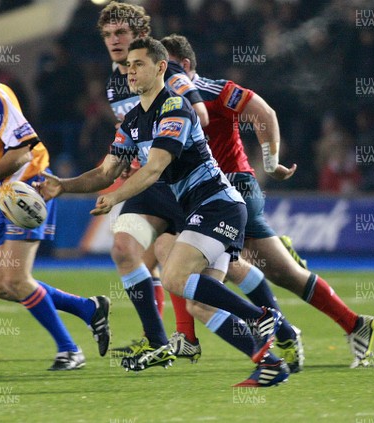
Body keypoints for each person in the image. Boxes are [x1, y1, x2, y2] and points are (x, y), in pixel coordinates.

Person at [41, 37, 289, 387]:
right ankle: (270, 362)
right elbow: (104, 172)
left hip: (219, 203)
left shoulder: (174, 108)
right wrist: (62, 185)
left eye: (139, 64)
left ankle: (262, 317)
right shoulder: (131, 123)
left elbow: (154, 168)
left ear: (160, 67)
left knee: (174, 276)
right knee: (197, 303)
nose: (130, 71)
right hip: (200, 208)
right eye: (127, 65)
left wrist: (115, 199)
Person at [160, 34, 374, 369]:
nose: (163, 73)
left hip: (231, 189)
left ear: (186, 66)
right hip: (209, 197)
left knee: (201, 292)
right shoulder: (166, 101)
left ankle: (271, 345)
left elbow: (262, 111)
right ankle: (350, 324)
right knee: (281, 273)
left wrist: (270, 160)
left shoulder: (209, 89)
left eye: (169, 66)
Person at [0, 40, 111, 371]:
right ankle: (89, 309)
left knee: (16, 278)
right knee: (0, 286)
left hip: (29, 186)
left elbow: (22, 153)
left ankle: (70, 350)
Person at [96, 0, 209, 360]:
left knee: (233, 270)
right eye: (108, 35)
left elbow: (200, 115)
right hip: (151, 182)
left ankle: (275, 330)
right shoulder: (118, 79)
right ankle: (161, 340)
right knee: (129, 251)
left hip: (185, 180)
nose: (114, 41)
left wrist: (155, 150)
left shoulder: (166, 70)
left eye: (122, 33)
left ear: (140, 34)